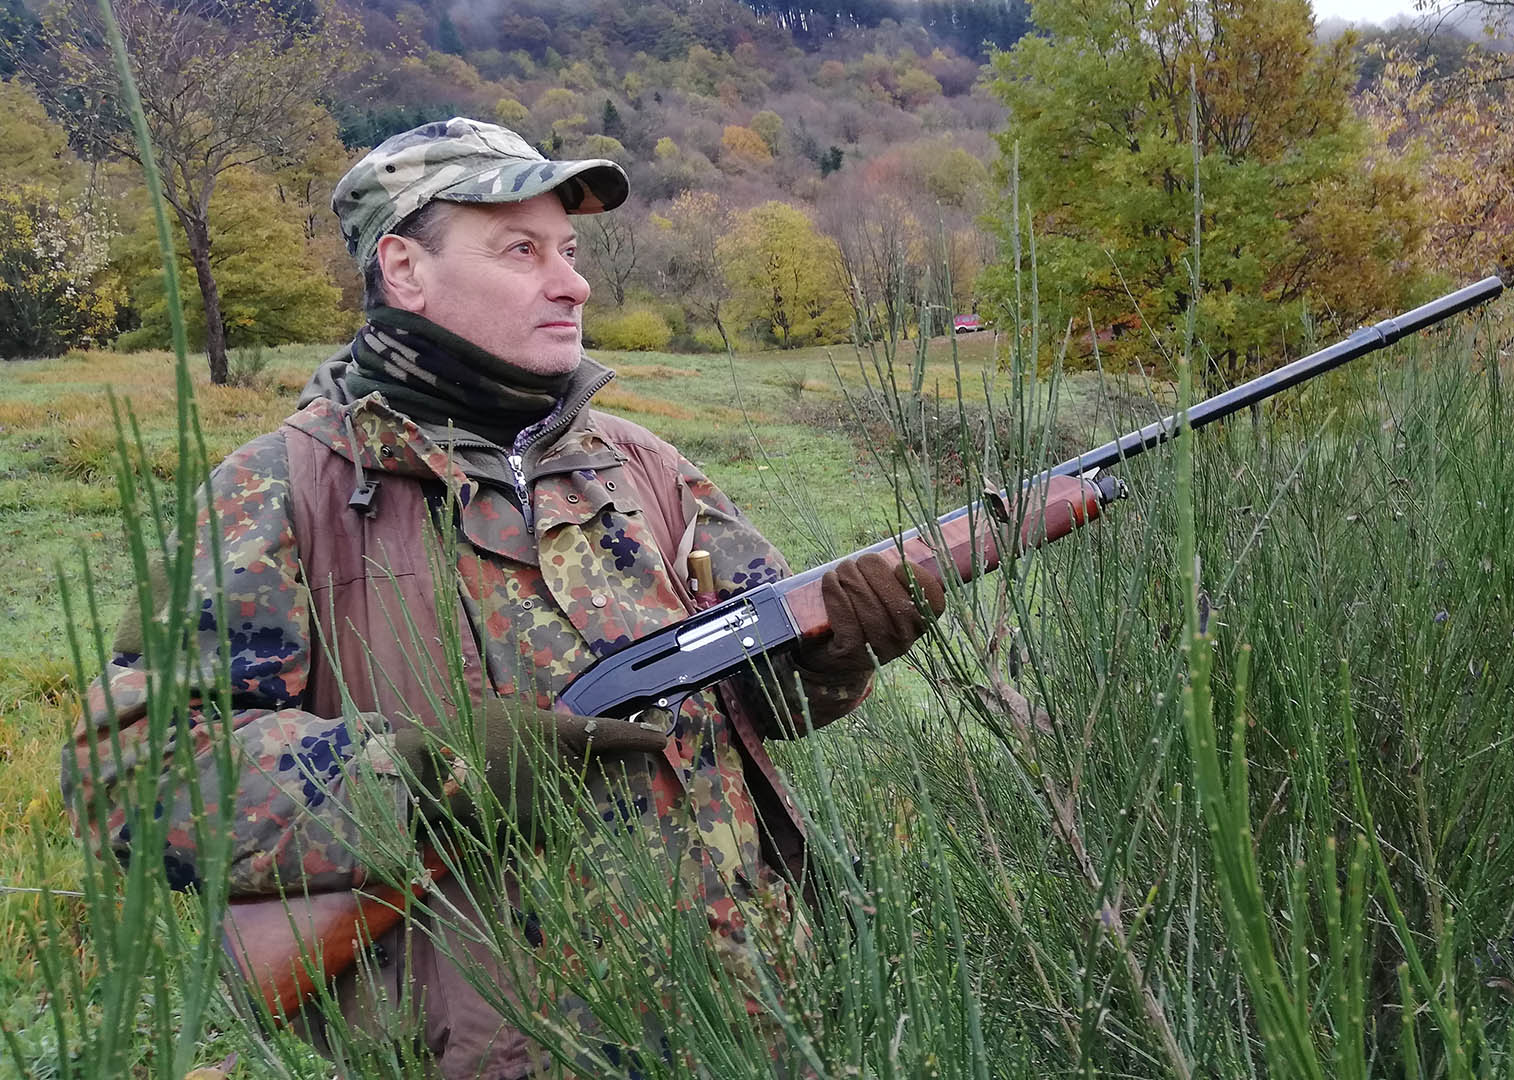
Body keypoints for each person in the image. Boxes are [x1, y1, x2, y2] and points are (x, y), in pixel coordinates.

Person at [62, 118, 945, 1079]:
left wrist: (839, 647)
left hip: (745, 1029)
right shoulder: (282, 490)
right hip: (490, 1052)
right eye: (522, 251)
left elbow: (764, 703)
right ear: (404, 269)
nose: (573, 282)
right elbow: (135, 780)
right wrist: (429, 775)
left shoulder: (643, 468)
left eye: (567, 250)